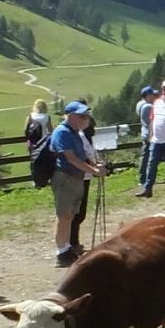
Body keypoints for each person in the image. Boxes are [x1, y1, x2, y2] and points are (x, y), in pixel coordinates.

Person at [49, 101, 107, 265]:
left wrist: (94, 166)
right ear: (70, 116)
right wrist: (93, 170)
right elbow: (70, 157)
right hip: (65, 177)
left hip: (76, 177)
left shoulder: (74, 133)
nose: (85, 119)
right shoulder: (63, 132)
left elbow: (81, 156)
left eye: (86, 116)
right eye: (82, 116)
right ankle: (61, 251)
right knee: (64, 215)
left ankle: (66, 248)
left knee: (70, 215)